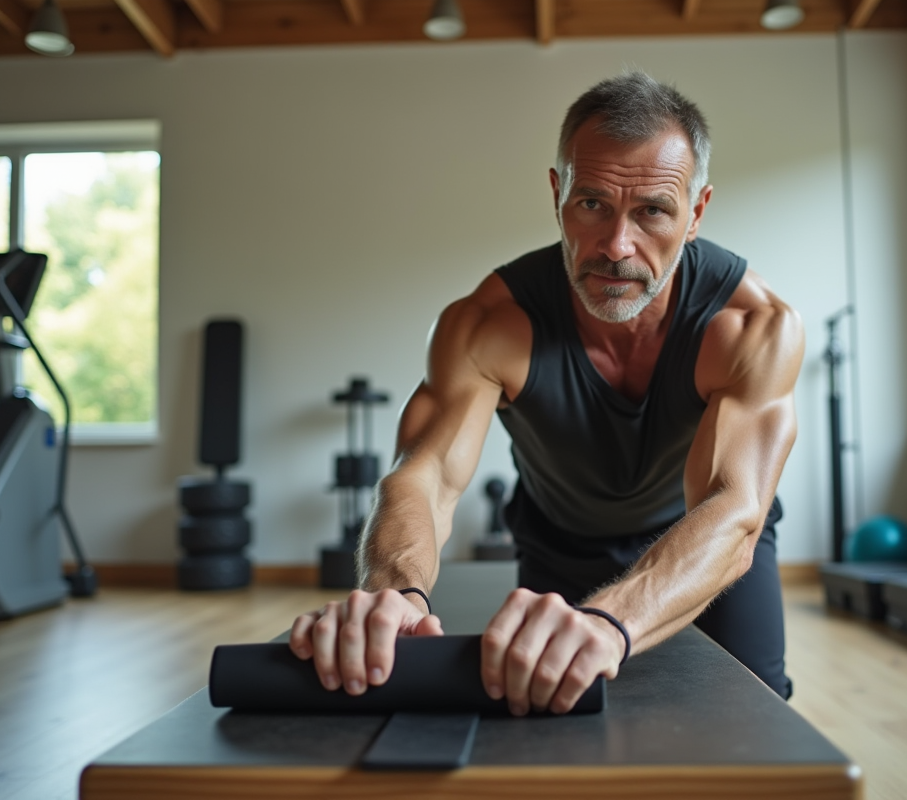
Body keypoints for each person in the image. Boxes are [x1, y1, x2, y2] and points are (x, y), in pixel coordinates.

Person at [289, 71, 804, 713]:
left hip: (701, 538)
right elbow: (422, 477)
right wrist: (396, 593)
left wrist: (610, 623)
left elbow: (736, 509)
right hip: (560, 542)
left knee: (755, 713)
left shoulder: (749, 327)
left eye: (652, 211)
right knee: (542, 721)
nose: (617, 246)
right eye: (592, 204)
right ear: (558, 193)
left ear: (695, 213)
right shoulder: (489, 325)